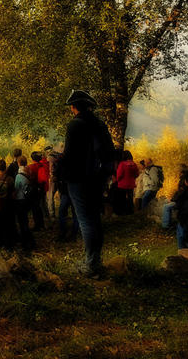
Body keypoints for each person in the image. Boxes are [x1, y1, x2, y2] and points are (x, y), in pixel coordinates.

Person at [60, 89, 114, 278]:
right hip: (98, 179)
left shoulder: (75, 125)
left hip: (78, 179)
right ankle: (96, 261)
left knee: (85, 220)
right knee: (94, 219)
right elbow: (109, 152)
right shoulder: (99, 124)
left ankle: (91, 265)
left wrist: (60, 163)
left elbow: (70, 154)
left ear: (74, 107)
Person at [162, 169, 188, 250]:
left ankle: (165, 226)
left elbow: (180, 197)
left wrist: (172, 200)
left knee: (166, 207)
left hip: (181, 205)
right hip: (183, 205)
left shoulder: (186, 188)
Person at [14, 156, 36, 251]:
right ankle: (28, 240)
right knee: (25, 220)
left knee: (22, 221)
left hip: (20, 200)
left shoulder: (19, 175)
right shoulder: (29, 172)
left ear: (19, 163)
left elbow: (16, 188)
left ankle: (27, 241)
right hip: (27, 199)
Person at [115, 150, 139, 215]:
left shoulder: (122, 164)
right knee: (130, 198)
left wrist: (117, 180)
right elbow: (137, 174)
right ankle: (130, 212)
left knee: (122, 199)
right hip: (131, 184)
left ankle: (122, 212)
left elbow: (119, 174)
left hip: (122, 184)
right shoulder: (134, 164)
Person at [27, 151, 45, 230]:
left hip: (33, 189)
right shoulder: (42, 166)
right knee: (39, 207)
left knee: (34, 207)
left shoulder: (30, 167)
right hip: (41, 188)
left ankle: (37, 225)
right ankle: (42, 224)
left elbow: (28, 178)